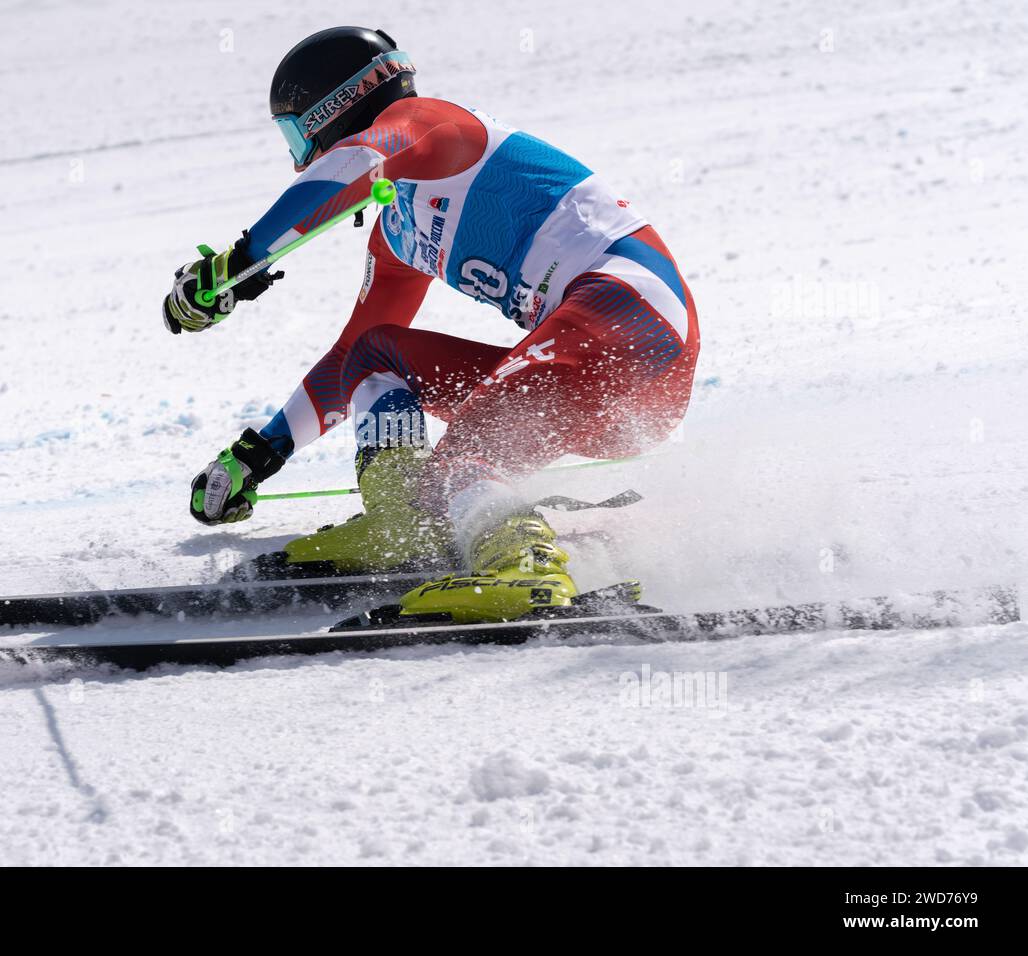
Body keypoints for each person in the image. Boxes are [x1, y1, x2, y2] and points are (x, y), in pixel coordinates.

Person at [165, 26, 700, 624]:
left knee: (466, 456)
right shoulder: (397, 231)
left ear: (331, 109)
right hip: (585, 389)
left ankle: (526, 567)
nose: (299, 154)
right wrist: (258, 454)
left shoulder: (434, 124)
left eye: (296, 134)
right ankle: (403, 527)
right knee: (375, 353)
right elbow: (350, 358)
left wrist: (239, 262)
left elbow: (358, 161)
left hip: (634, 319)